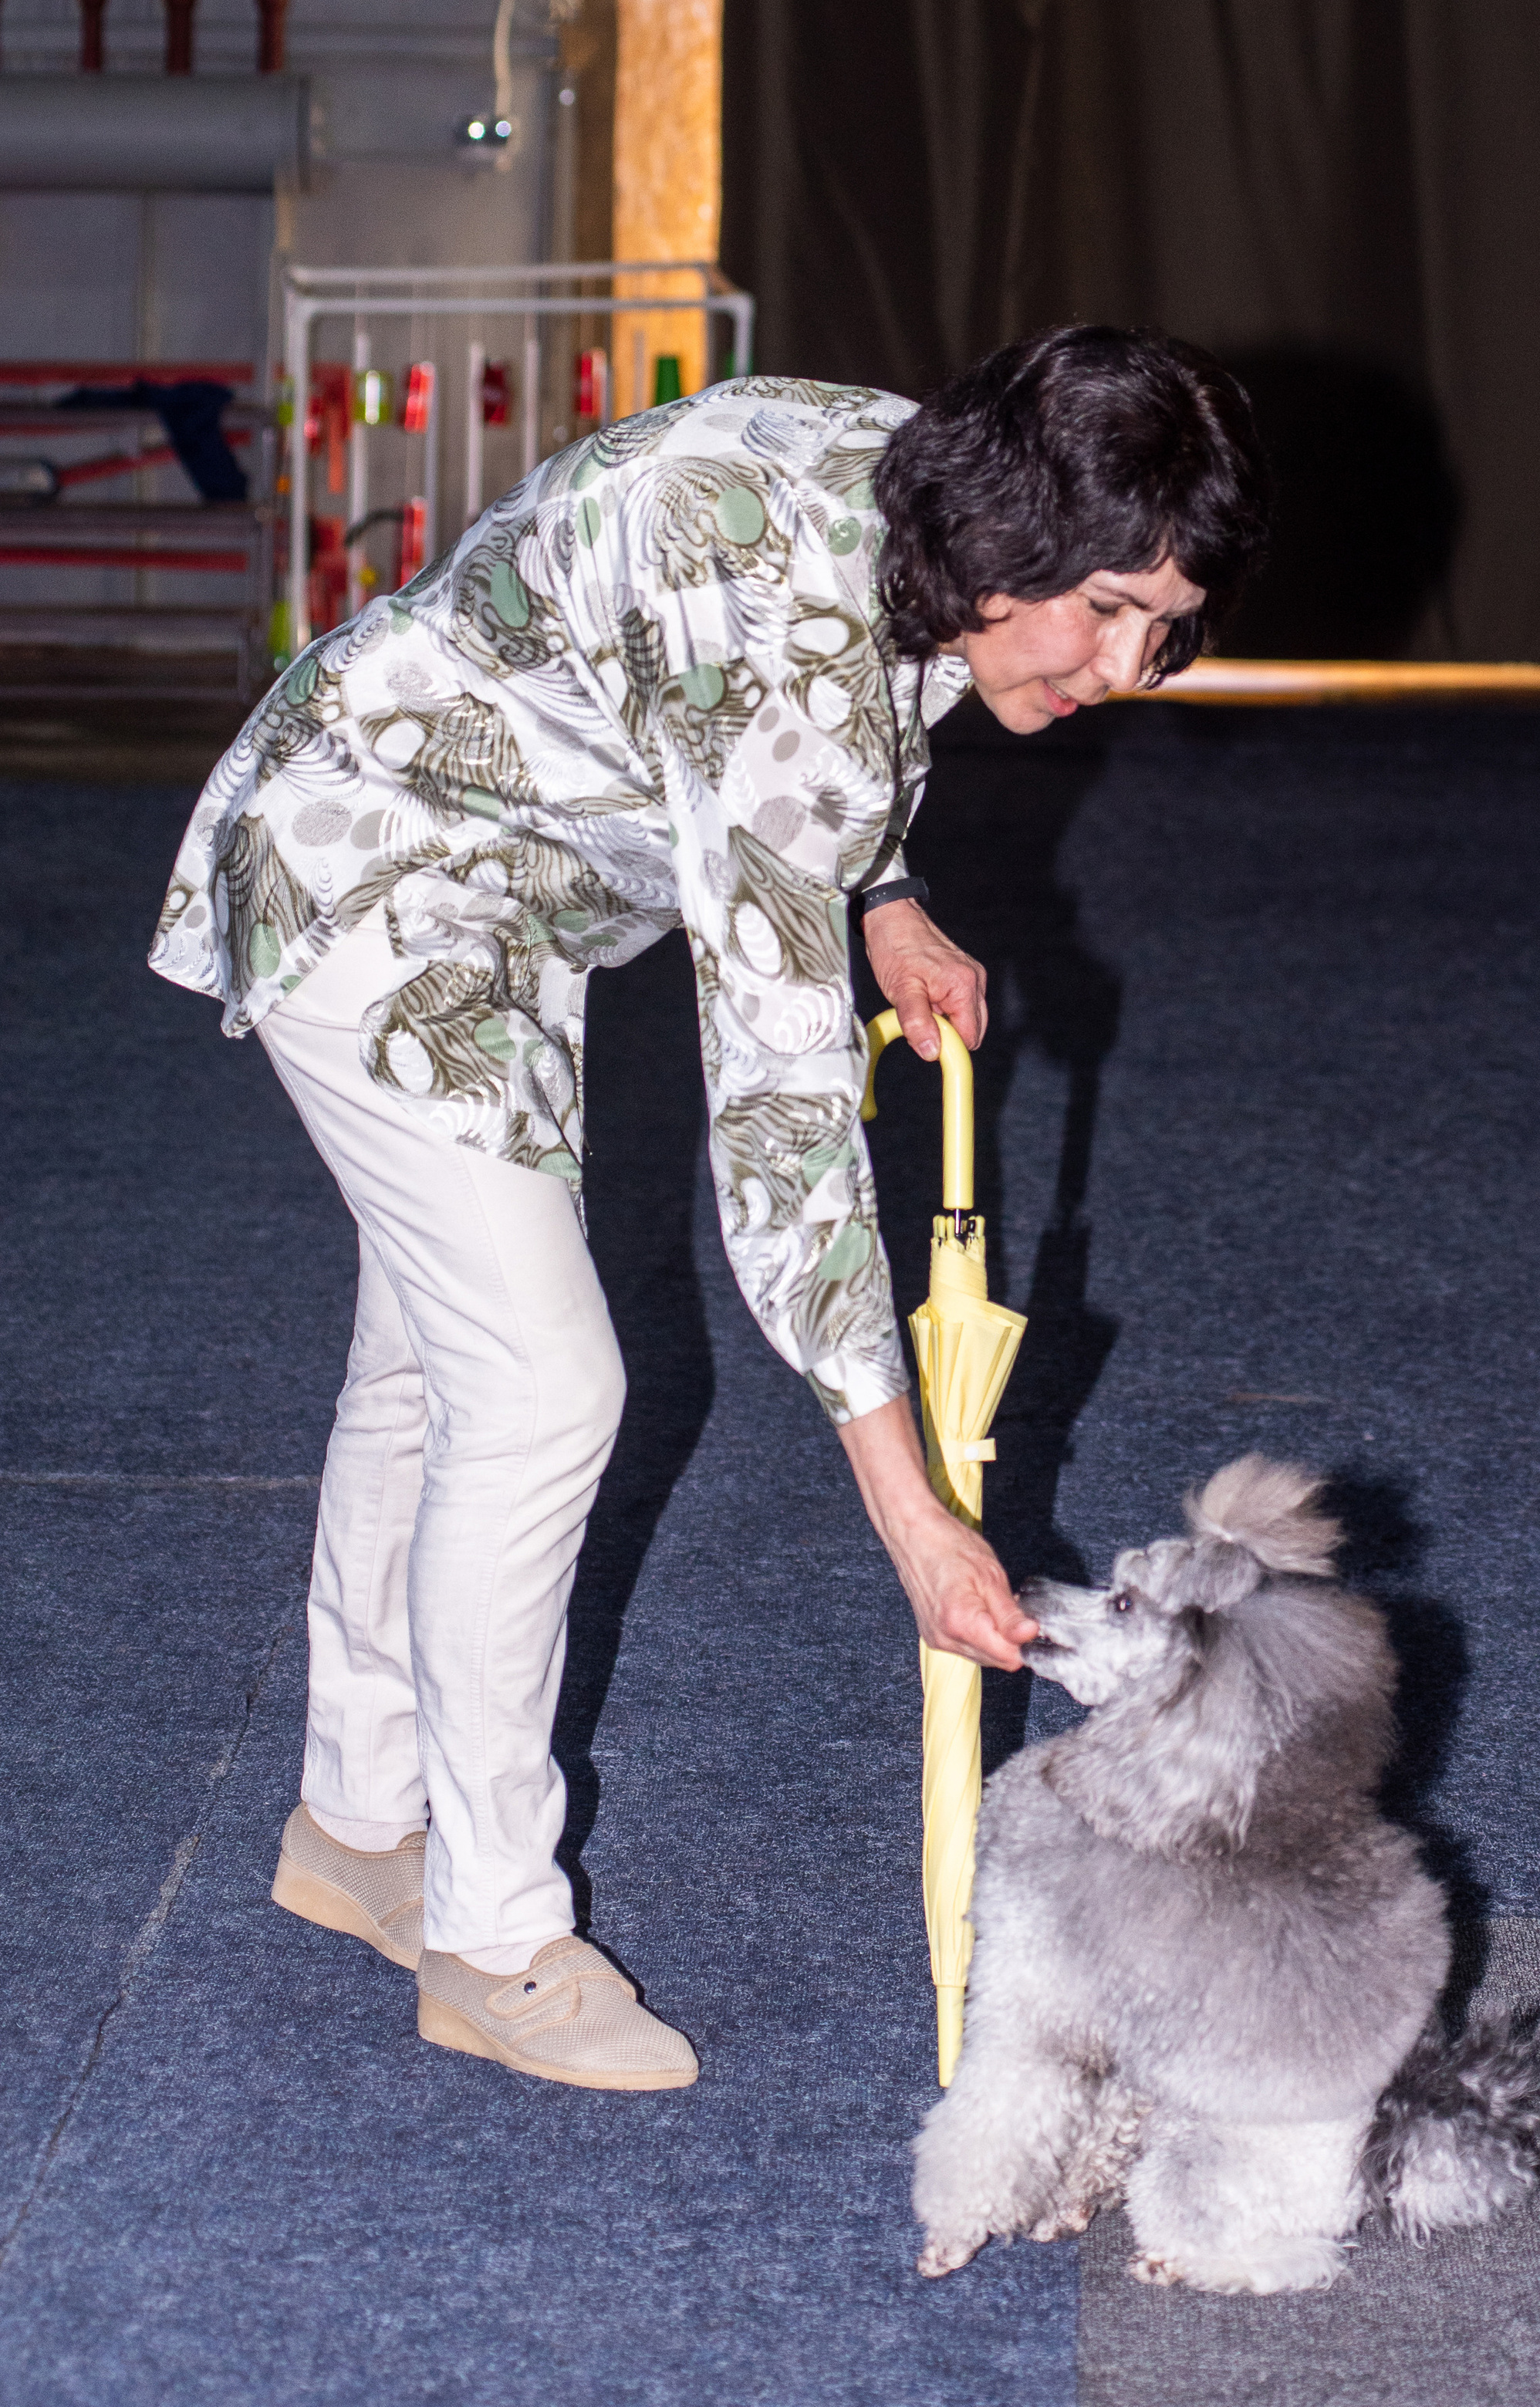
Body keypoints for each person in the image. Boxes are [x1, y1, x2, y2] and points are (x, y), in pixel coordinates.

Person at [149, 322, 1270, 2090]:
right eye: (1107, 610)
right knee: (542, 1392)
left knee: (437, 1366)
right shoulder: (832, 606)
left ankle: (361, 1823)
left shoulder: (920, 484)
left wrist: (879, 893)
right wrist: (911, 1514)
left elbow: (809, 744)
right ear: (1007, 545)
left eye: (1164, 624)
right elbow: (785, 1127)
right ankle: (494, 1937)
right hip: (368, 867)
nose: (1127, 665)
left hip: (504, 894)